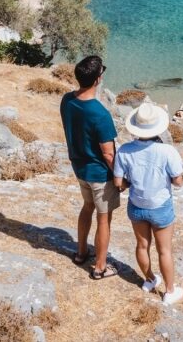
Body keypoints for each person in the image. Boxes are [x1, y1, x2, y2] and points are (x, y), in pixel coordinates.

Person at [114, 103, 183, 305]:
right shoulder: (167, 151)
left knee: (142, 245)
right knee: (165, 250)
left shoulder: (124, 150)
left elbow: (119, 183)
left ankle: (150, 280)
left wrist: (131, 182)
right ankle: (169, 292)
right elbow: (178, 182)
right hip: (160, 207)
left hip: (137, 206)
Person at [60, 56, 120, 280]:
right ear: (98, 79)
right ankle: (100, 267)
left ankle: (81, 252)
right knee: (104, 218)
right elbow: (108, 153)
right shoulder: (100, 114)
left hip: (80, 168)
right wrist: (119, 176)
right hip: (99, 174)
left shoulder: (67, 100)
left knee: (87, 207)